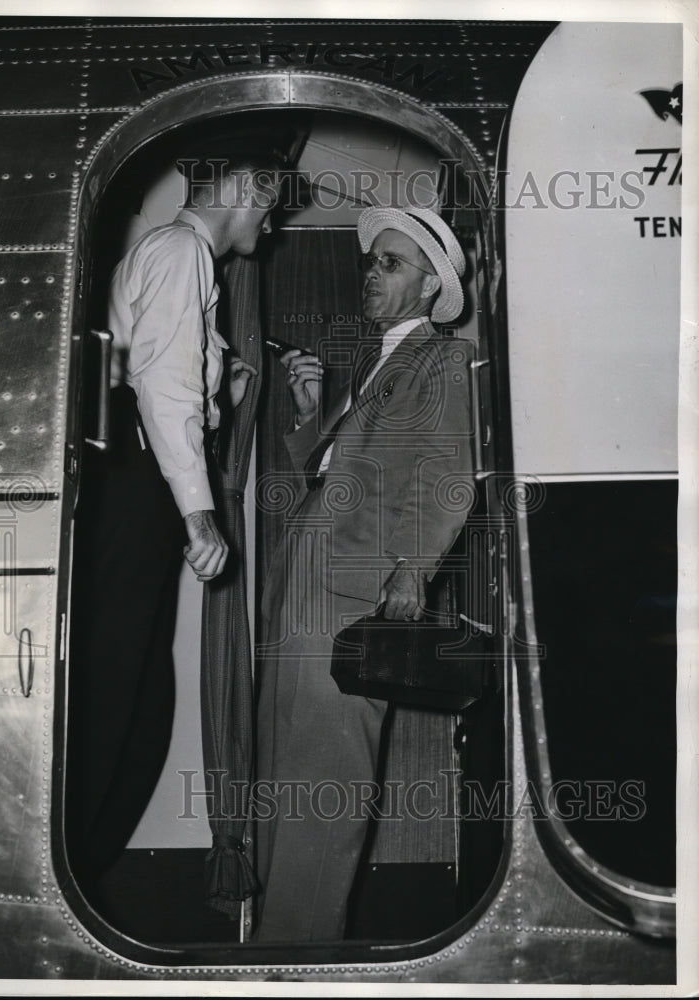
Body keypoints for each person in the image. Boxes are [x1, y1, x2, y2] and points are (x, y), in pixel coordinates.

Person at [66, 144, 283, 896]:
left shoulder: (178, 255)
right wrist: (200, 514)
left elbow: (164, 369)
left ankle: (78, 866)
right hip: (138, 486)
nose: (274, 218)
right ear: (250, 182)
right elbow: (162, 389)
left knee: (137, 694)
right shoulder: (184, 248)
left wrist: (224, 380)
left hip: (132, 484)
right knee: (123, 692)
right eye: (273, 198)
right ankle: (73, 870)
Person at [254, 204, 474, 942]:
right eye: (370, 261)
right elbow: (337, 473)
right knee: (291, 762)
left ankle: (300, 952)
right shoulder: (379, 360)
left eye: (392, 263)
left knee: (327, 776)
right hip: (308, 575)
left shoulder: (439, 358)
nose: (371, 273)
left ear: (430, 285)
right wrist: (312, 412)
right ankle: (276, 937)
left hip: (351, 586)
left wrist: (412, 570)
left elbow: (447, 473)